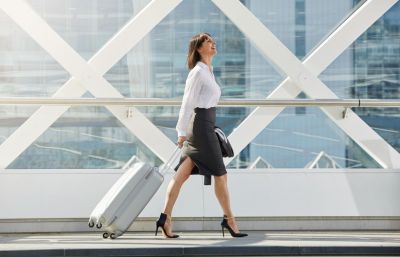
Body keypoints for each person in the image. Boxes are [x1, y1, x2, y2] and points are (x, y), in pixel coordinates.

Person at [155, 33, 248, 238]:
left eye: (213, 40)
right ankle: (229, 220)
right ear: (198, 48)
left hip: (205, 125)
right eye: (208, 41)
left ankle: (165, 218)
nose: (213, 43)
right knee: (221, 175)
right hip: (200, 128)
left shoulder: (207, 70)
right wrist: (181, 132)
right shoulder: (197, 72)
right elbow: (187, 103)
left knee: (182, 174)